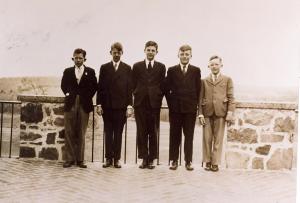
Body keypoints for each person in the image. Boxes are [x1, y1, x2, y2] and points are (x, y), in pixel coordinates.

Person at [96, 42, 133, 168]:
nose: (116, 54)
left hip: (121, 108)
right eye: (114, 52)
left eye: (119, 52)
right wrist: (99, 104)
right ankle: (108, 159)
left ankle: (116, 159)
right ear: (110, 53)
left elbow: (129, 89)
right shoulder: (104, 68)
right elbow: (100, 87)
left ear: (122, 53)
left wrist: (129, 106)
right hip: (107, 107)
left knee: (118, 133)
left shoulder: (127, 68)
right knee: (108, 132)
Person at [164, 45, 201, 171]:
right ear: (178, 55)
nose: (184, 56)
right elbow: (166, 89)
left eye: (187, 54)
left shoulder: (196, 71)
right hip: (175, 110)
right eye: (182, 54)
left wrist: (195, 106)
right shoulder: (172, 70)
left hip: (190, 110)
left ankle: (188, 161)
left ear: (191, 56)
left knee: (189, 136)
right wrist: (171, 104)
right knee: (174, 135)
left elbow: (198, 90)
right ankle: (173, 160)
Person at [61, 48, 97, 168]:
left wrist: (86, 97)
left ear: (84, 59)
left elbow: (94, 87)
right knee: (69, 131)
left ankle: (80, 160)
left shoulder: (90, 72)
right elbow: (63, 85)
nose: (78, 60)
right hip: (70, 104)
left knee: (81, 132)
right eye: (76, 58)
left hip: (84, 104)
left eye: (80, 58)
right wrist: (69, 94)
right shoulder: (67, 71)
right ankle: (69, 159)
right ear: (73, 58)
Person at [132, 41, 166, 169]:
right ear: (144, 50)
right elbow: (133, 83)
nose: (150, 52)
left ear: (156, 52)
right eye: (148, 50)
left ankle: (151, 159)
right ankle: (143, 159)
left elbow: (163, 84)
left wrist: (157, 95)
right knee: (141, 131)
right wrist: (137, 93)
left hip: (154, 104)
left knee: (153, 131)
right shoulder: (137, 66)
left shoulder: (161, 67)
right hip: (140, 103)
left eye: (153, 50)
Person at [198, 55, 235, 172]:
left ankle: (215, 163)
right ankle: (207, 162)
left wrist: (230, 112)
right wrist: (200, 114)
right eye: (212, 64)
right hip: (207, 112)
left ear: (221, 65)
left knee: (218, 139)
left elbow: (231, 98)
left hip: (221, 113)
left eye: (216, 64)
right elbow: (200, 98)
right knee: (207, 139)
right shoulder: (204, 81)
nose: (214, 67)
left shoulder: (227, 79)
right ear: (209, 66)